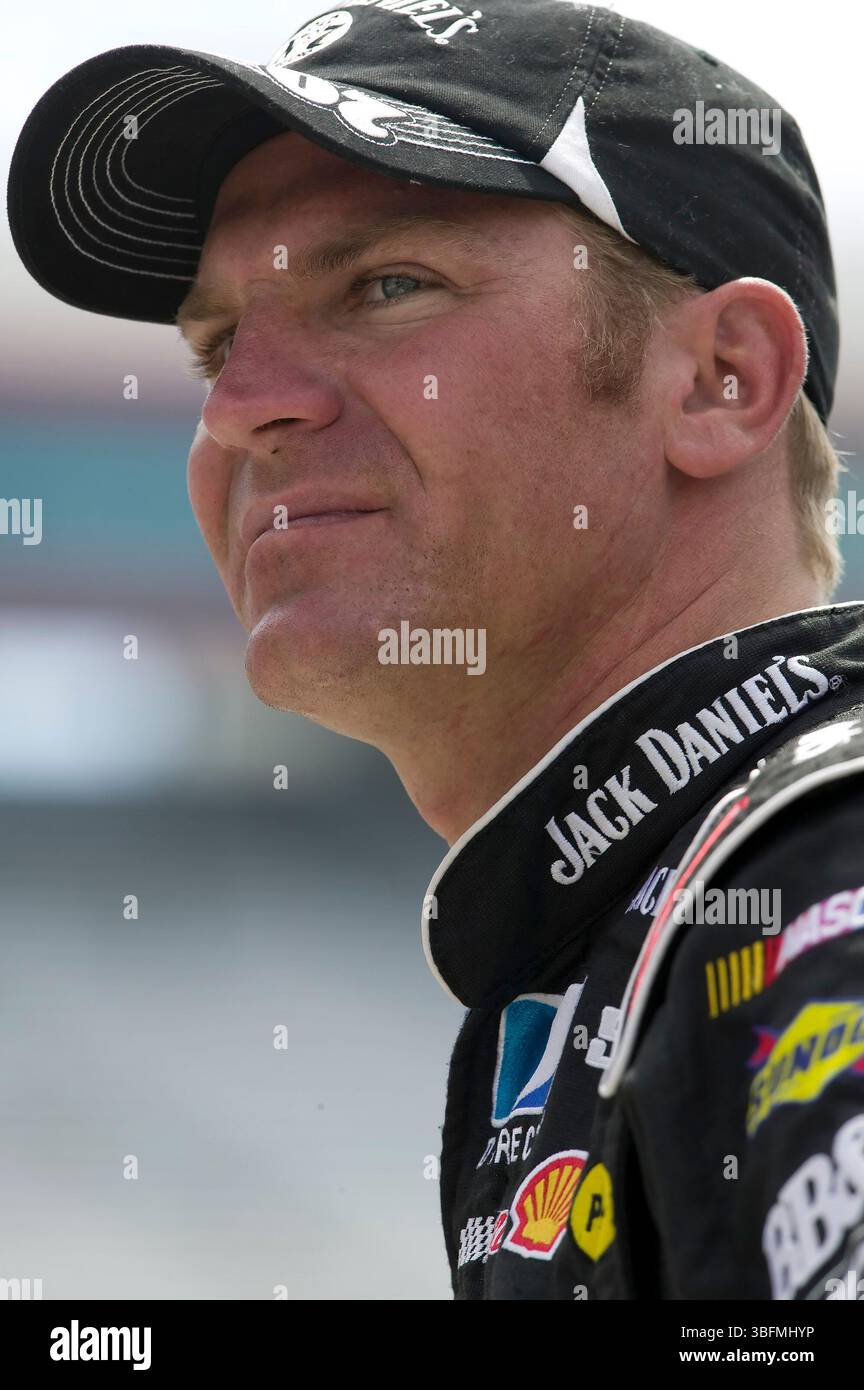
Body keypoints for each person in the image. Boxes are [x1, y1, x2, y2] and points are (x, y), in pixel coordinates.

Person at [8, 0, 863, 1301]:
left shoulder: (816, 882)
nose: (241, 407)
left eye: (387, 287)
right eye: (214, 345)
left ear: (720, 380)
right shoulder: (623, 920)